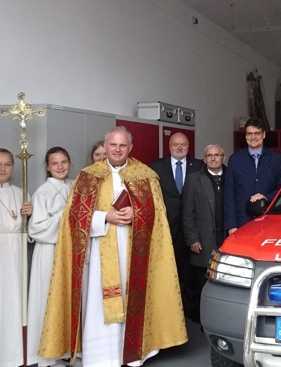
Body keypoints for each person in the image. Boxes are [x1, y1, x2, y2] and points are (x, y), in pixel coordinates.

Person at [38, 127, 187, 367]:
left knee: (132, 296)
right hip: (99, 252)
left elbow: (158, 217)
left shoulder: (145, 175)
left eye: (122, 146)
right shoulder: (88, 175)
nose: (117, 150)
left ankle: (133, 354)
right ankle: (100, 355)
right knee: (98, 300)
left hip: (133, 253)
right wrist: (105, 217)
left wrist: (137, 213)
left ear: (130, 148)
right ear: (105, 147)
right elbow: (74, 217)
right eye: (113, 145)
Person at [0, 148, 33, 367]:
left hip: (16, 253)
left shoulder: (22, 193)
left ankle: (15, 356)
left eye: (7, 164)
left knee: (15, 303)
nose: (2, 169)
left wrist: (30, 215)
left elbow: (30, 230)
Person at [28, 147, 74, 367]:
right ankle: (48, 353)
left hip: (72, 251)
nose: (60, 167)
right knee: (49, 299)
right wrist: (64, 217)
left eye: (64, 162)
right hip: (50, 251)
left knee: (69, 298)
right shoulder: (43, 192)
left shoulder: (75, 186)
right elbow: (36, 229)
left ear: (70, 163)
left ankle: (67, 348)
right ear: (47, 166)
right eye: (54, 163)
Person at [150, 132, 203, 322]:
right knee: (167, 271)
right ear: (169, 146)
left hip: (192, 228)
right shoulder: (156, 167)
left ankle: (190, 312)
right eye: (175, 144)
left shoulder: (198, 166)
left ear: (189, 146)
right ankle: (169, 314)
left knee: (191, 272)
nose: (179, 148)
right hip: (166, 228)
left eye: (183, 145)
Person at [182, 144, 226, 322]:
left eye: (217, 155)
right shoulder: (194, 179)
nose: (213, 158)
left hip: (225, 237)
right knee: (203, 282)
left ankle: (221, 318)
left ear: (224, 157)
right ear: (204, 158)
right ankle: (204, 320)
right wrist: (192, 238)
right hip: (203, 239)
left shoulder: (231, 177)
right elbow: (187, 211)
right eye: (209, 156)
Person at [224, 118, 281, 235]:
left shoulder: (276, 159)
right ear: (245, 136)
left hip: (270, 221)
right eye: (249, 134)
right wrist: (231, 226)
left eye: (257, 133)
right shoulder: (235, 160)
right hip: (242, 222)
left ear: (263, 134)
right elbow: (229, 194)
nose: (253, 137)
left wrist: (266, 197)